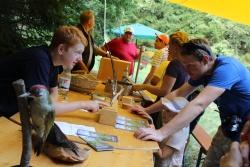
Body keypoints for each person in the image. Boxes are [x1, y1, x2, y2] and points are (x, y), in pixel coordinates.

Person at [133, 38, 250, 167]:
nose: (187, 71)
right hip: (229, 126)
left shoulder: (227, 69)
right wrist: (146, 110)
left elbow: (199, 104)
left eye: (190, 66)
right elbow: (177, 93)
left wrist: (161, 133)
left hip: (246, 132)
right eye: (184, 66)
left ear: (205, 59)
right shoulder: (203, 71)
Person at [0, 25, 107, 118]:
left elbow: (53, 93)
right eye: (77, 52)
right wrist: (84, 104)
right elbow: (43, 109)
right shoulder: (39, 60)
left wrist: (48, 105)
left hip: (15, 114)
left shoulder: (54, 63)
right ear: (61, 49)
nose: (80, 59)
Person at [131, 97, 189, 167]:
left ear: (177, 116)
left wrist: (151, 138)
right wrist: (150, 119)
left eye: (168, 111)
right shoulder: (171, 122)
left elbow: (162, 155)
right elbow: (160, 137)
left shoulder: (179, 134)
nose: (163, 112)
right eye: (164, 109)